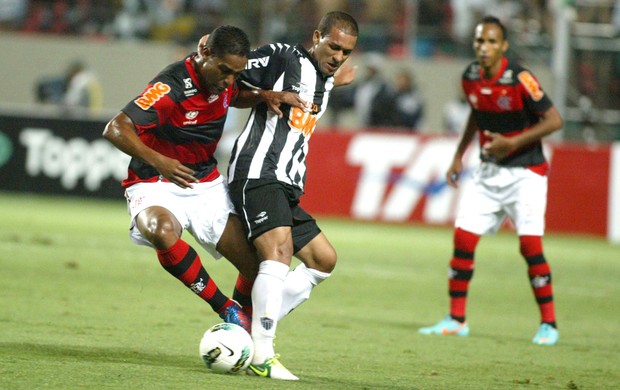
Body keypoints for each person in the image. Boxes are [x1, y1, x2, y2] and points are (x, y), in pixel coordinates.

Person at [102, 25, 307, 335]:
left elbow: (234, 94)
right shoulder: (170, 85)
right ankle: (225, 308)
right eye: (224, 71)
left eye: (235, 73)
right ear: (205, 53)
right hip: (155, 180)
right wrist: (160, 161)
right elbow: (116, 128)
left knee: (258, 263)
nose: (228, 80)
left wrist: (264, 95)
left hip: (205, 183)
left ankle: (242, 331)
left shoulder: (224, 78)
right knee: (162, 230)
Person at [225, 11, 359, 380]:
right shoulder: (283, 56)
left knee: (322, 260)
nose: (338, 57)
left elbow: (333, 79)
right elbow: (227, 80)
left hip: (287, 185)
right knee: (279, 253)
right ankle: (262, 353)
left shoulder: (326, 80)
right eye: (333, 47)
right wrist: (264, 94)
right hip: (257, 172)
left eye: (346, 52)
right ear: (316, 36)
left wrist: (341, 76)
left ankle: (243, 325)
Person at [418, 15, 563, 345]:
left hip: (526, 172)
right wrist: (459, 154)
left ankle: (549, 324)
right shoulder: (470, 76)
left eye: (492, 42)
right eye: (480, 41)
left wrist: (513, 142)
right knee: (463, 241)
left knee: (530, 247)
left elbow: (554, 119)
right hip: (488, 172)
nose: (484, 48)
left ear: (504, 46)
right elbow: (476, 112)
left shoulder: (520, 77)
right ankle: (456, 319)